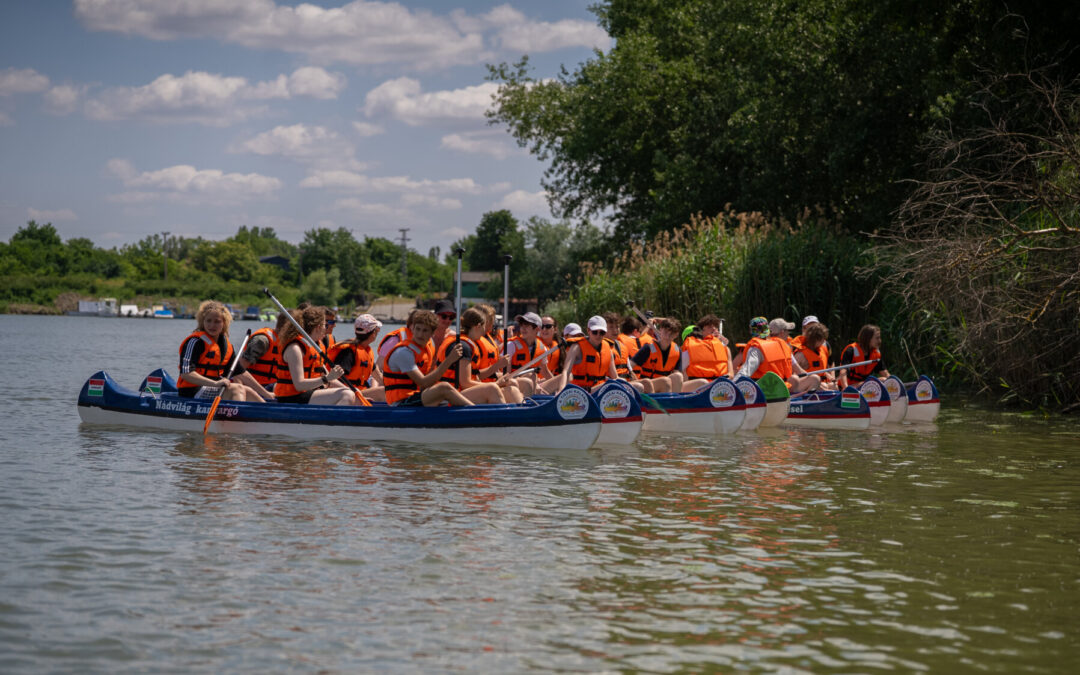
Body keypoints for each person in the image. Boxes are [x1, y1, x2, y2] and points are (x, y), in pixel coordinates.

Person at [383, 310, 473, 407]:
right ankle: (476, 414)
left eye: (425, 330)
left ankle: (472, 412)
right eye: (417, 329)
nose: (420, 334)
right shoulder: (403, 352)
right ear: (412, 328)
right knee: (444, 387)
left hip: (417, 397)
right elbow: (423, 383)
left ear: (432, 333)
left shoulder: (427, 350)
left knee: (447, 397)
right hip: (400, 403)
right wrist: (449, 360)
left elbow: (430, 380)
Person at [273, 306, 356, 405]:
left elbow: (328, 377)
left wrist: (354, 391)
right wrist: (327, 379)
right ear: (318, 327)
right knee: (346, 395)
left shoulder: (315, 347)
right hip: (292, 397)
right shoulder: (295, 349)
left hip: (309, 394)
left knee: (350, 393)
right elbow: (299, 385)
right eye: (325, 325)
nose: (326, 329)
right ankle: (329, 420)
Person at [178, 300, 260, 401]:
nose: (212, 325)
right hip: (191, 392)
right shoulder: (195, 342)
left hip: (213, 387)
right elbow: (186, 374)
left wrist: (268, 394)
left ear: (224, 323)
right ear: (202, 321)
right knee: (237, 389)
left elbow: (241, 373)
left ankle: (269, 413)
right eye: (208, 321)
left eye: (217, 321)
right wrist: (215, 383)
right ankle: (236, 416)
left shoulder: (226, 345)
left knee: (248, 390)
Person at [433, 307, 513, 403]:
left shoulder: (468, 343)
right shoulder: (464, 346)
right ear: (478, 326)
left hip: (459, 392)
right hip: (450, 396)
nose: (484, 331)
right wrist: (496, 383)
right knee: (492, 388)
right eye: (483, 327)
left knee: (511, 390)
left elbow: (474, 377)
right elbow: (465, 383)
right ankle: (502, 417)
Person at [736, 317, 820, 393]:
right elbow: (799, 371)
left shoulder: (756, 348)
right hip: (783, 389)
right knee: (800, 379)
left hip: (766, 392)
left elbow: (745, 372)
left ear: (751, 331)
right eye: (787, 331)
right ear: (768, 330)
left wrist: (734, 385)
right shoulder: (784, 346)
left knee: (796, 379)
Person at [327, 313, 386, 402]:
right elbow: (332, 380)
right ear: (373, 333)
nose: (378, 332)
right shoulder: (349, 352)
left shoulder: (366, 352)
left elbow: (379, 378)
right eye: (377, 330)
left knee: (388, 390)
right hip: (346, 394)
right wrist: (354, 393)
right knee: (382, 392)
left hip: (358, 392)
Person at [562, 315, 619, 393]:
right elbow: (566, 372)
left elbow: (615, 377)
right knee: (611, 384)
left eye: (602, 332)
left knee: (637, 386)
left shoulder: (608, 348)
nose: (598, 335)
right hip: (580, 391)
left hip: (601, 390)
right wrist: (561, 390)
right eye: (595, 332)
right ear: (588, 331)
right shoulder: (576, 347)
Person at [629, 317, 683, 392]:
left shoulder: (677, 350)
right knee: (665, 381)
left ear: (676, 335)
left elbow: (677, 375)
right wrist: (632, 375)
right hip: (648, 385)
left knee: (699, 381)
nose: (668, 336)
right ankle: (667, 402)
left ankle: (677, 401)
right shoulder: (648, 348)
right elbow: (629, 365)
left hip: (666, 385)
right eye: (666, 332)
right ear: (660, 330)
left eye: (671, 333)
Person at [679, 314, 732, 391]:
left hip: (719, 386)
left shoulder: (725, 348)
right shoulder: (693, 347)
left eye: (715, 327)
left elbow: (731, 374)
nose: (714, 329)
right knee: (702, 382)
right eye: (710, 327)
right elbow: (681, 373)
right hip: (699, 387)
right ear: (701, 332)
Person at [504, 312, 551, 396]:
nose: (523, 328)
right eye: (521, 325)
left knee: (564, 377)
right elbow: (506, 377)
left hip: (534, 384)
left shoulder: (542, 348)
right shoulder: (511, 346)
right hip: (513, 385)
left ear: (537, 329)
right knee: (531, 376)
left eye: (527, 325)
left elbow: (545, 372)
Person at [838, 324, 890, 388]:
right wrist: (846, 388)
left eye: (879, 338)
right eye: (877, 338)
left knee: (885, 380)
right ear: (868, 339)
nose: (879, 341)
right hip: (849, 387)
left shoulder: (876, 354)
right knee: (882, 380)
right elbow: (843, 372)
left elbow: (885, 373)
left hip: (864, 386)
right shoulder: (851, 350)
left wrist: (893, 383)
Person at [792, 321, 837, 389]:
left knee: (834, 386)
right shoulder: (800, 355)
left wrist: (828, 375)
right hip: (807, 385)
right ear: (815, 340)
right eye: (822, 339)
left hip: (822, 383)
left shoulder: (822, 349)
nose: (824, 341)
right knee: (823, 386)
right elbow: (793, 377)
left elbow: (821, 369)